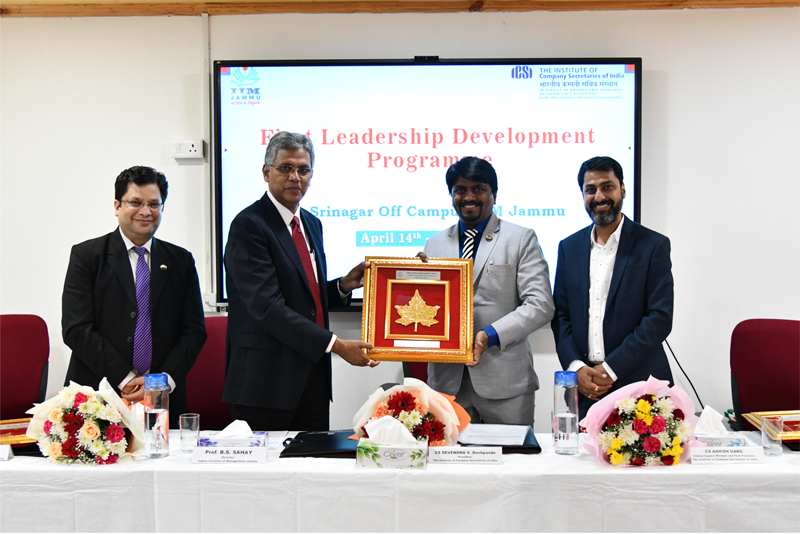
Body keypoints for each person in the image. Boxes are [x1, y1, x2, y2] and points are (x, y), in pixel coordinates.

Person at [223, 131, 378, 431]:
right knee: (264, 476)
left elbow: (305, 300)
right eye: (286, 168)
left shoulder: (311, 223)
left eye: (303, 169)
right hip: (265, 382)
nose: (296, 177)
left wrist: (343, 286)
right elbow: (267, 307)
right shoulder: (249, 225)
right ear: (266, 172)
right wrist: (335, 345)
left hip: (313, 378)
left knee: (312, 471)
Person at [62, 166, 207, 426]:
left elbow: (194, 331)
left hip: (162, 398)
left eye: (154, 204)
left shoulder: (181, 261)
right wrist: (126, 379)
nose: (145, 212)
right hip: (98, 393)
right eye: (135, 202)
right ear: (117, 206)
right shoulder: (87, 256)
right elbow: (76, 329)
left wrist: (160, 382)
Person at [419, 157, 555, 426]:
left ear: (494, 193)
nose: (469, 197)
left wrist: (489, 335)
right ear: (451, 195)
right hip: (448, 386)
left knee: (514, 464)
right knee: (448, 467)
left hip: (505, 385)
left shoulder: (521, 238)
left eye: (478, 188)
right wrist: (414, 281)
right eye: (460, 189)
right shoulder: (433, 245)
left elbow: (540, 305)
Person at [552, 156, 674, 420]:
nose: (599, 196)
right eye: (590, 189)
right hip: (586, 388)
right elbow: (560, 316)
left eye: (607, 187)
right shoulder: (569, 247)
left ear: (623, 190)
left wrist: (611, 368)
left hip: (642, 386)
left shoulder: (653, 245)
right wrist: (577, 368)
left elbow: (659, 318)